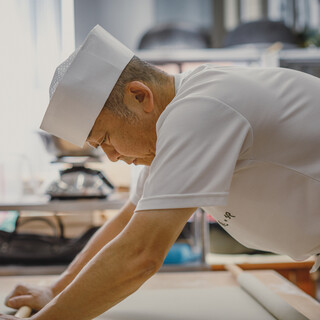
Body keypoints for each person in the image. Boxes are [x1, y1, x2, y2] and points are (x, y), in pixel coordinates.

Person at [1, 25, 319, 320]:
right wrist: (55, 291)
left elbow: (140, 255)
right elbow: (127, 222)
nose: (111, 157)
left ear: (140, 96)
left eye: (106, 139)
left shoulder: (202, 110)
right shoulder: (177, 124)